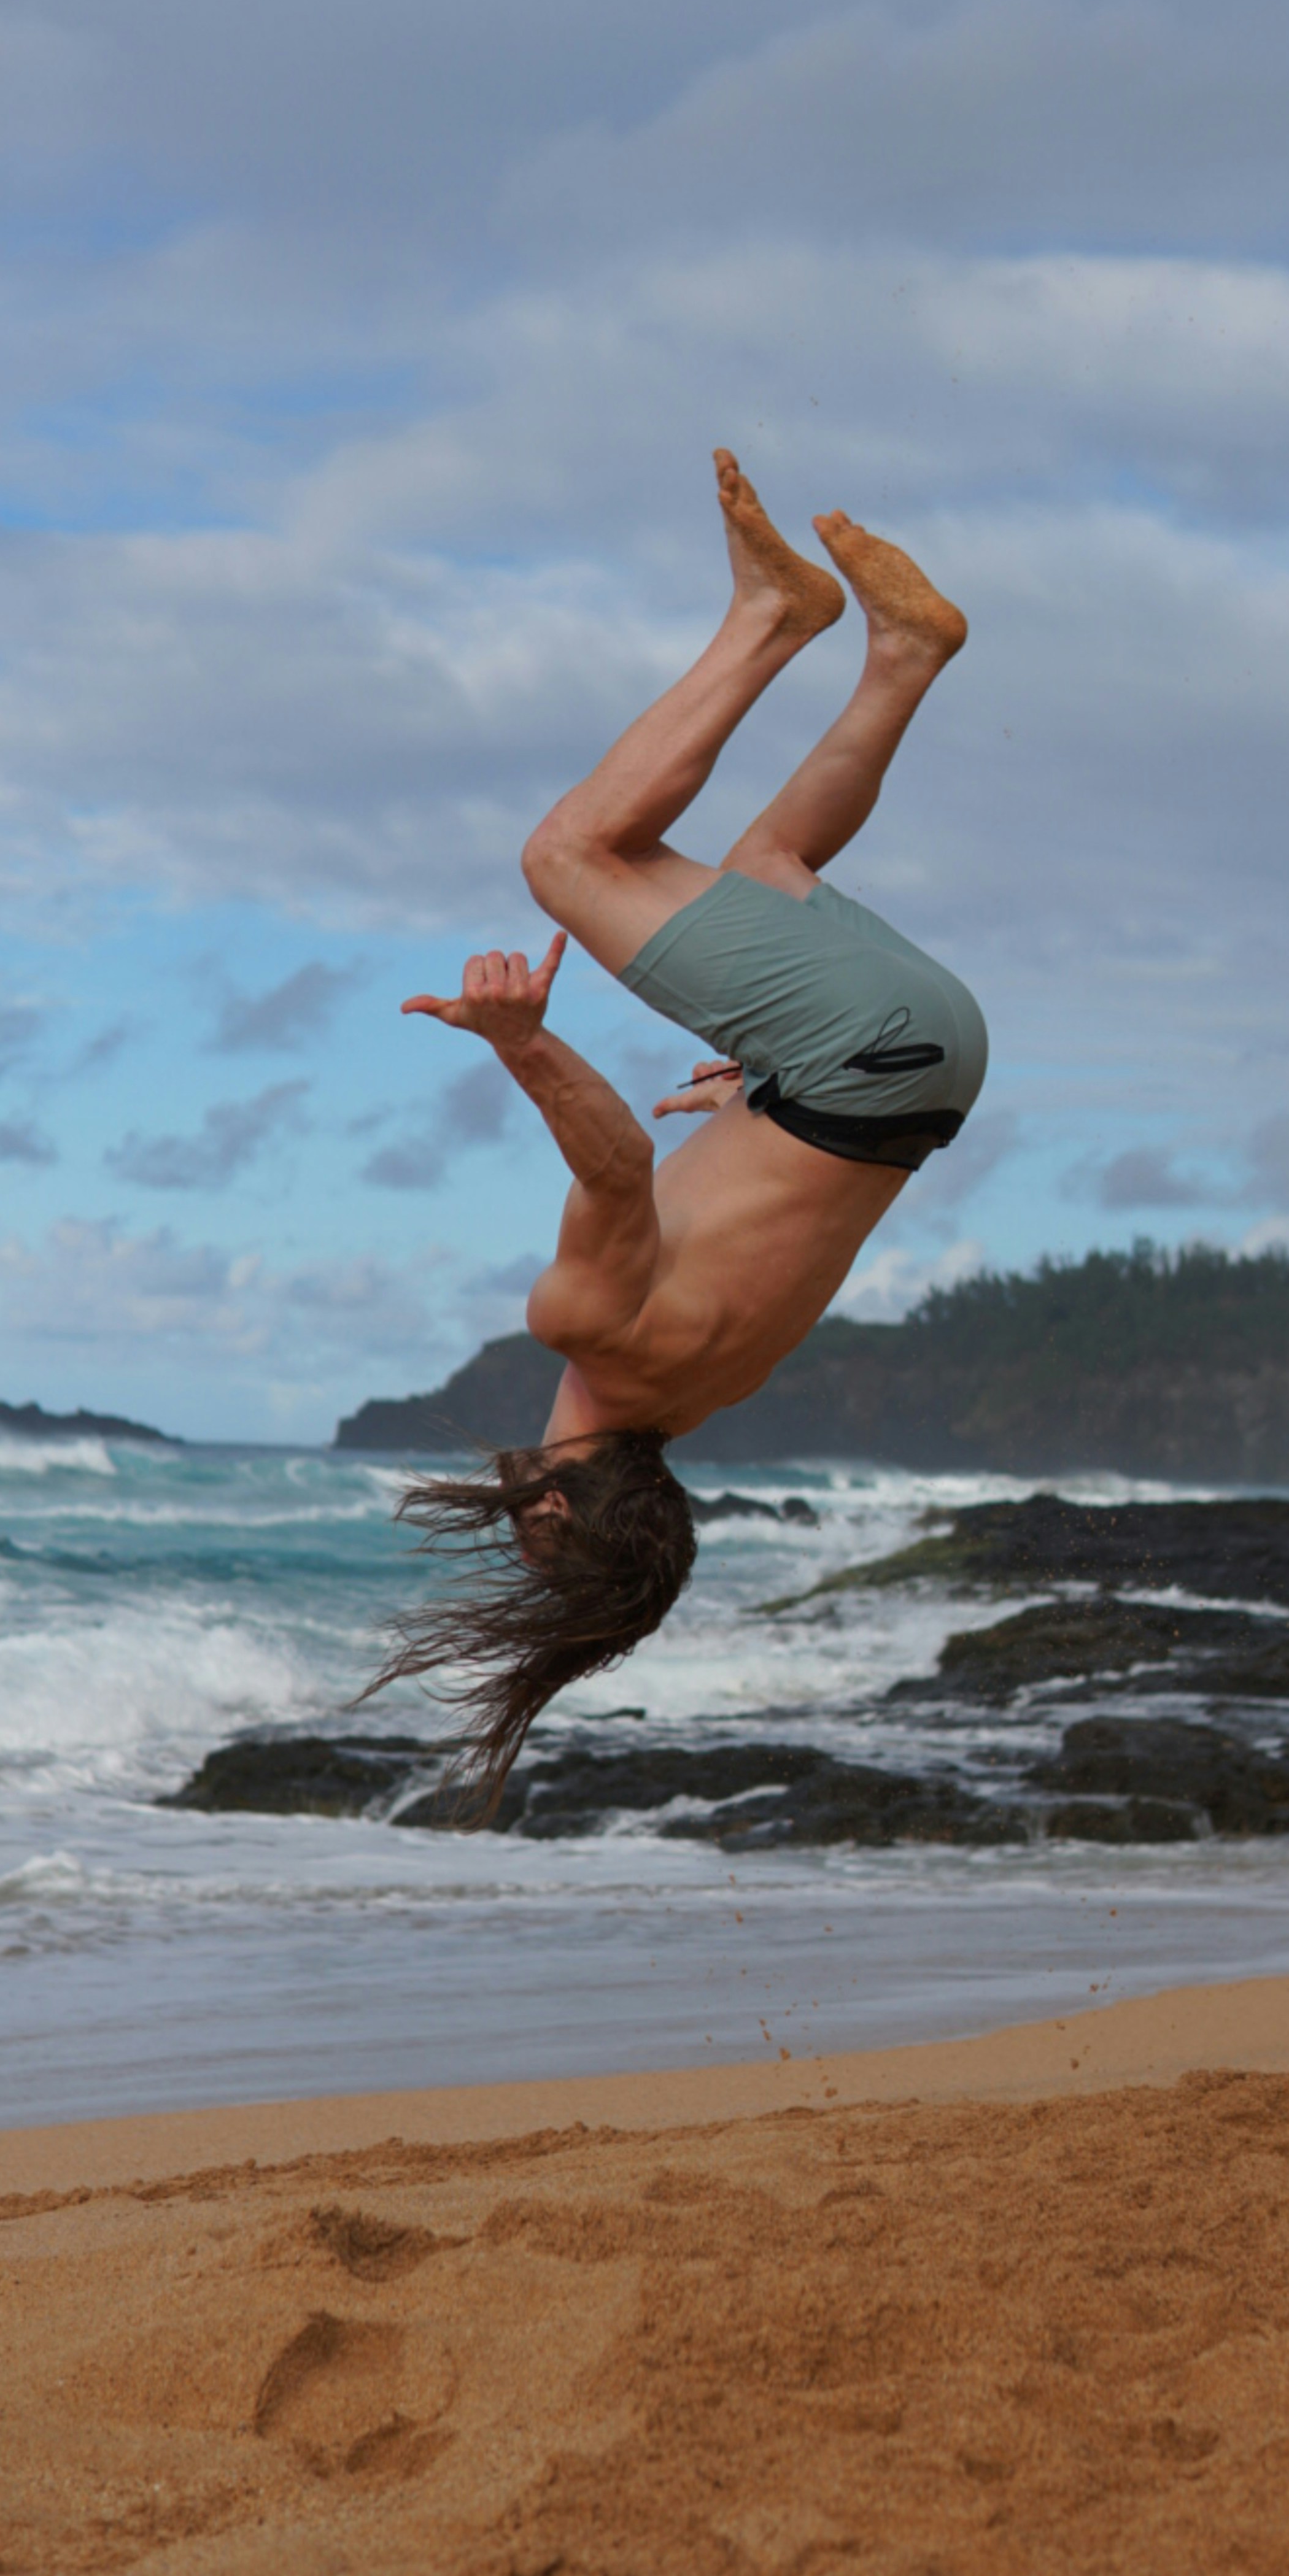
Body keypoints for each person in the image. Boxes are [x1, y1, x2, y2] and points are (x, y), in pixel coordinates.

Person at [375, 449, 986, 1801]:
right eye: (531, 1534)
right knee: (567, 859)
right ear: (550, 1504)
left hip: (918, 1079)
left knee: (766, 865)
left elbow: (781, 1207)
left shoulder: (705, 1391)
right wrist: (526, 1046)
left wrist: (754, 1095)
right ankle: (774, 614)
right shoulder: (588, 1334)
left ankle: (904, 652)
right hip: (858, 1058)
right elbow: (616, 1161)